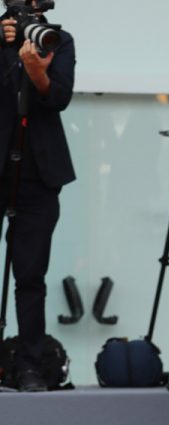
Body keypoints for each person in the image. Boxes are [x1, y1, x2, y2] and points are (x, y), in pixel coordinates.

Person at [0, 0, 74, 393]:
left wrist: (37, 74)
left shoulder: (58, 41)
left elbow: (58, 98)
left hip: (38, 174)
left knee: (30, 275)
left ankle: (29, 364)